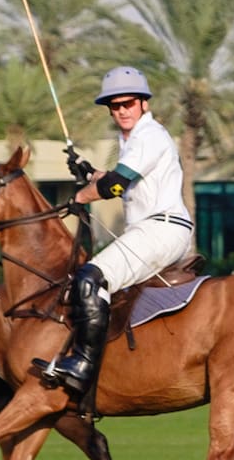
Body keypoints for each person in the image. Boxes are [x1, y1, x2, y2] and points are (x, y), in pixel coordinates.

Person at [41, 66, 193, 395]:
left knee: (89, 278)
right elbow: (117, 181)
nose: (122, 110)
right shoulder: (134, 139)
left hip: (160, 229)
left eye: (128, 103)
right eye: (115, 105)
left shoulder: (148, 136)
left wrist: (82, 195)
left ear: (144, 104)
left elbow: (115, 186)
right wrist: (91, 173)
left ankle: (82, 365)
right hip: (156, 230)